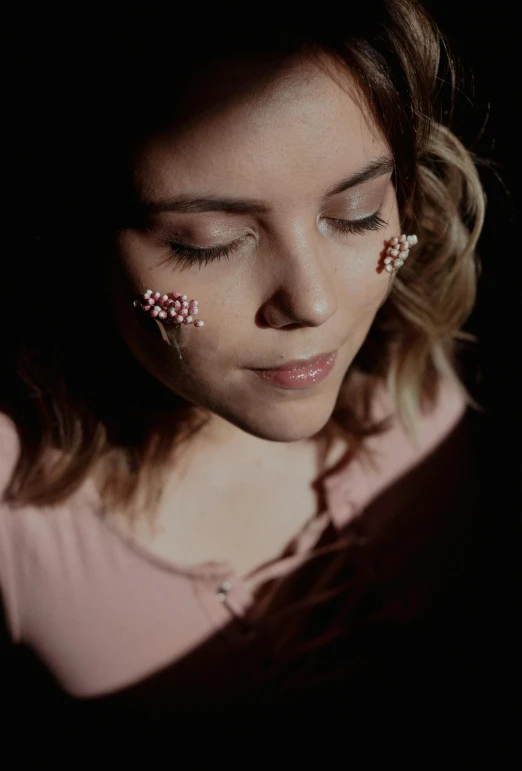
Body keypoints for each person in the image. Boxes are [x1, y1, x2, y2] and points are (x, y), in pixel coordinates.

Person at [0, 0, 485, 716]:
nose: (315, 303)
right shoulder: (15, 498)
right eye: (207, 240)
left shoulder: (415, 345)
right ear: (75, 236)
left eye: (355, 213)